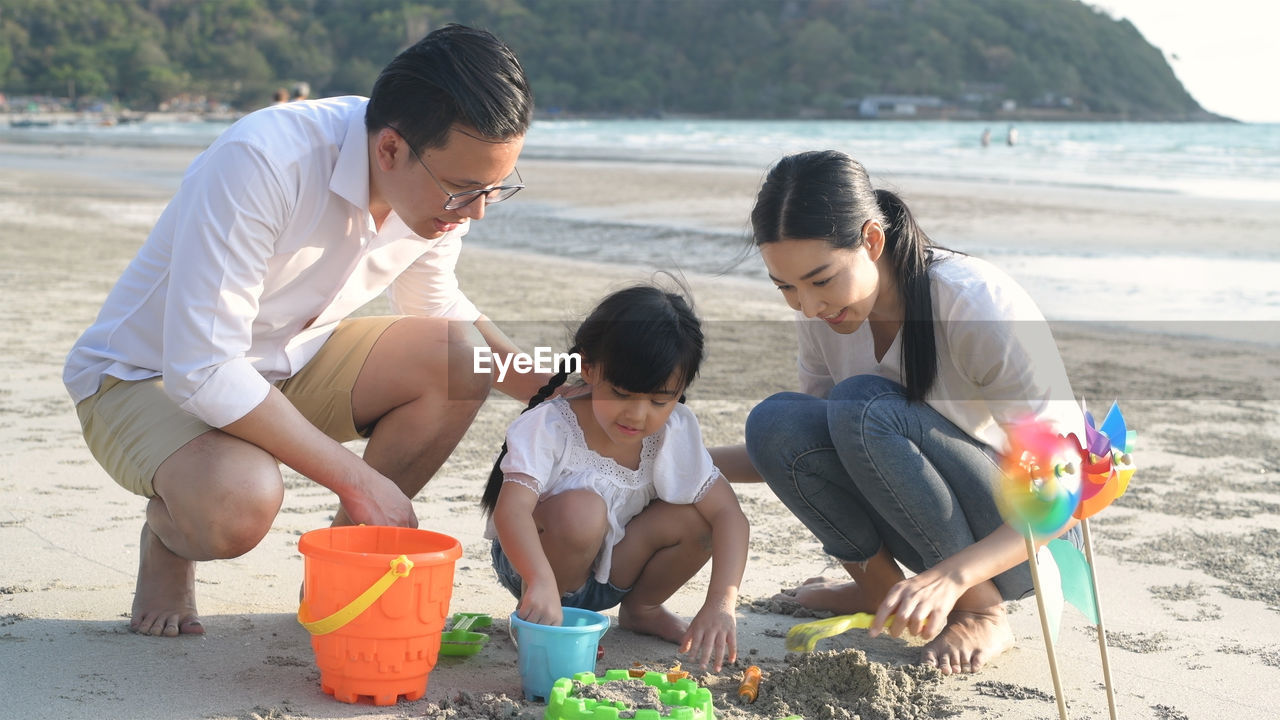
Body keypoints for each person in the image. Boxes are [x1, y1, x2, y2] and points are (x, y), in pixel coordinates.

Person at [63, 24, 546, 638]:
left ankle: (341, 572)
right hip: (143, 376)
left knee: (459, 360)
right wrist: (359, 479)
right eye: (464, 190)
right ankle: (168, 537)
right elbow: (204, 369)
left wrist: (563, 387)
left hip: (287, 360)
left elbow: (438, 303)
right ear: (391, 149)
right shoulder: (265, 159)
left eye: (494, 189)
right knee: (237, 504)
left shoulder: (434, 196)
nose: (476, 211)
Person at [711, 150, 1085, 675]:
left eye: (820, 280)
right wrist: (671, 457)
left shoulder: (974, 302)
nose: (809, 306)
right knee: (776, 421)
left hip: (1021, 539)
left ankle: (982, 611)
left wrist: (956, 578)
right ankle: (881, 593)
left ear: (871, 239)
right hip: (923, 524)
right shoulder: (823, 312)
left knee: (862, 406)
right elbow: (804, 449)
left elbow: (1066, 486)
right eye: (786, 288)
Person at [481, 284, 749, 671]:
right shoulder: (552, 426)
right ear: (588, 369)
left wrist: (721, 605)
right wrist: (537, 579)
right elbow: (511, 512)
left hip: (616, 566)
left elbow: (730, 516)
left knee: (700, 516)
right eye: (622, 394)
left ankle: (644, 608)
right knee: (583, 510)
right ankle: (539, 618)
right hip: (534, 562)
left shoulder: (672, 432)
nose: (638, 417)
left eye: (659, 401)